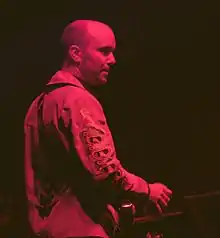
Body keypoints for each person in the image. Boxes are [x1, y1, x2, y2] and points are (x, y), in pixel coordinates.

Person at [24, 19, 172, 238]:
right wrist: (148, 190)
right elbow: (106, 172)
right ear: (76, 54)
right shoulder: (77, 100)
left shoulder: (38, 104)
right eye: (104, 51)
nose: (112, 60)